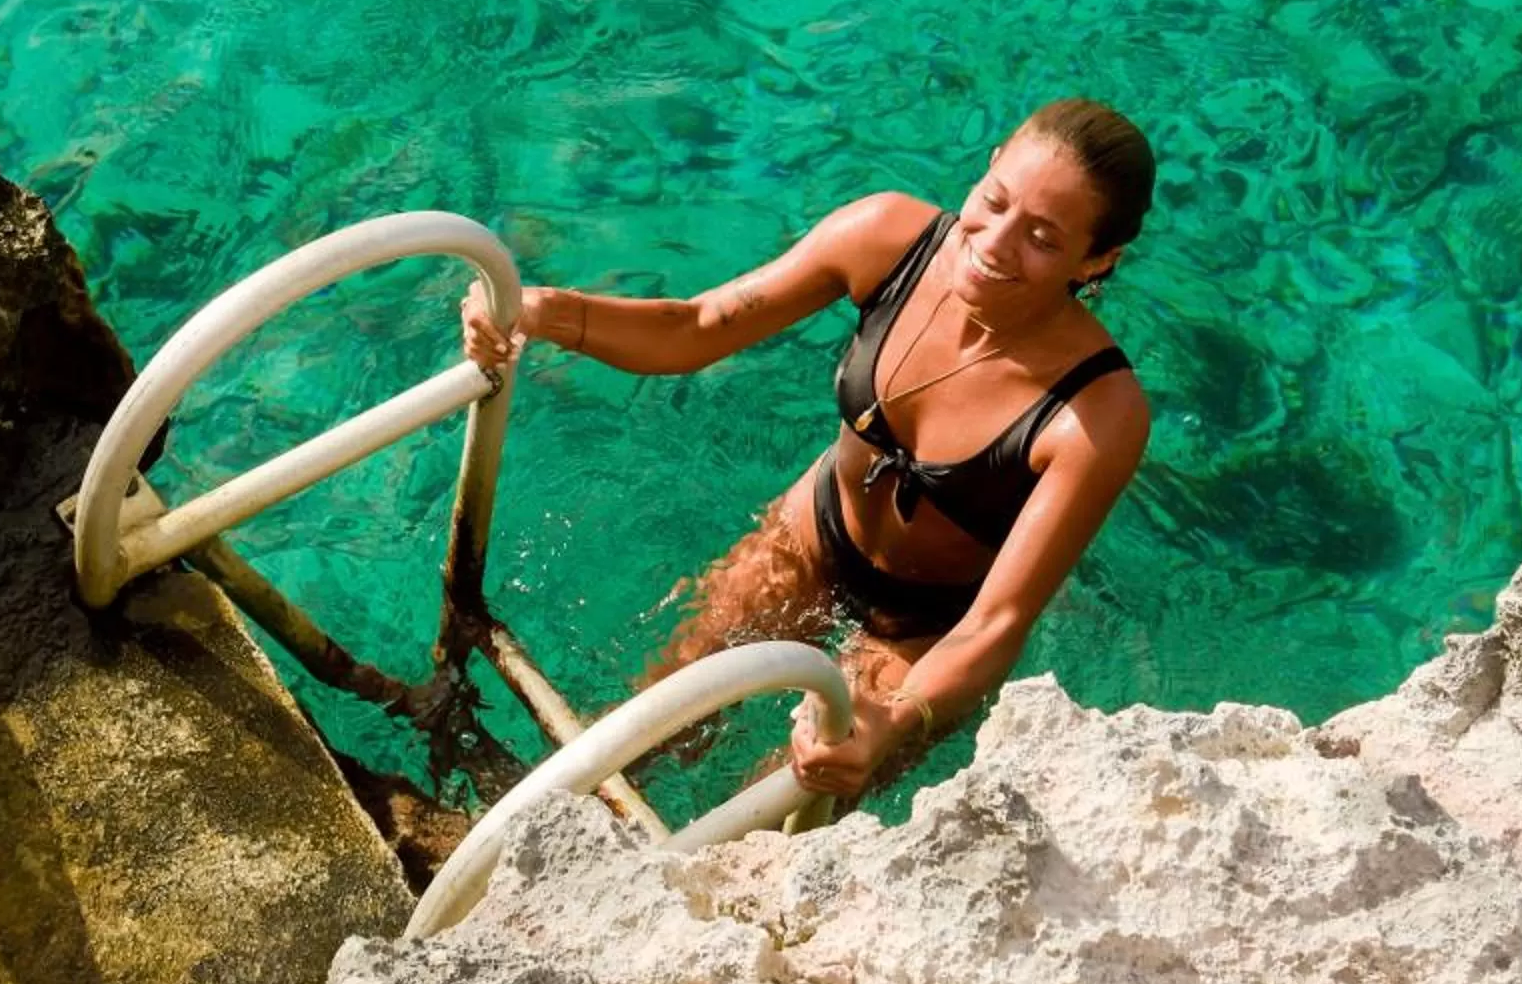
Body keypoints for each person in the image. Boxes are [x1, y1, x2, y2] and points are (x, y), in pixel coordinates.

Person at [459, 98, 1154, 802]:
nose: (995, 245)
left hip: (923, 629)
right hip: (809, 535)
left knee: (780, 806)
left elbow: (995, 624)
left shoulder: (1095, 413)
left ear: (1097, 259)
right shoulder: (888, 238)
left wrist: (897, 720)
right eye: (994, 201)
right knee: (645, 730)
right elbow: (695, 327)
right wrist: (541, 311)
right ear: (990, 163)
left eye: (1041, 237)